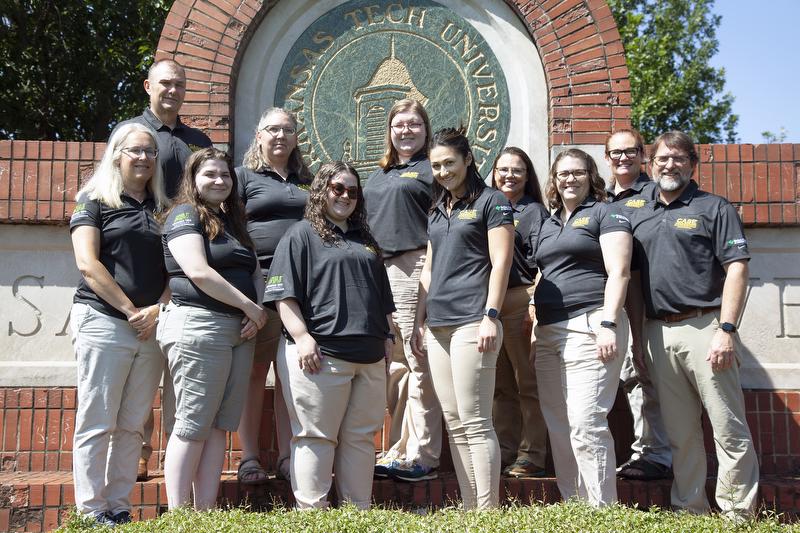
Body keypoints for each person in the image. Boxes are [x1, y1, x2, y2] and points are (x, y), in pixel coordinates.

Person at [627, 131, 758, 518]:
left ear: (692, 164)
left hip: (706, 328)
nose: (670, 165)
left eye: (679, 158)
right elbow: (632, 282)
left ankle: (737, 514)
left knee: (727, 428)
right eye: (663, 159)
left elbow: (737, 269)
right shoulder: (638, 211)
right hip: (656, 332)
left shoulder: (714, 208)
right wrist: (638, 339)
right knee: (681, 433)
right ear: (650, 165)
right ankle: (690, 510)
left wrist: (727, 329)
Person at [264, 162, 395, 510]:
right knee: (315, 438)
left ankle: (357, 515)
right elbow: (283, 296)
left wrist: (388, 337)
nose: (345, 196)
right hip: (321, 356)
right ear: (321, 190)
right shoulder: (300, 234)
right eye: (338, 188)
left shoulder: (365, 240)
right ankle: (313, 518)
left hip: (368, 358)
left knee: (361, 440)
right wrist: (302, 337)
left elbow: (382, 299)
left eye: (353, 191)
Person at [114, 58, 213, 481]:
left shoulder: (196, 139)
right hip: (140, 247)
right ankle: (140, 450)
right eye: (164, 84)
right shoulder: (132, 133)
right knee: (140, 364)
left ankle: (179, 459)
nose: (172, 91)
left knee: (178, 362)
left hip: (187, 251)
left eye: (179, 84)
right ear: (147, 86)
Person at [69, 123, 171, 526]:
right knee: (98, 418)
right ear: (116, 154)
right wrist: (132, 310)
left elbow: (174, 270)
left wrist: (157, 310)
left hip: (150, 326)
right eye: (135, 151)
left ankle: (119, 506)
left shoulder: (162, 207)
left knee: (131, 423)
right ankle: (91, 511)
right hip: (104, 320)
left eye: (150, 151)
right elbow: (87, 264)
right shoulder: (93, 200)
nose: (144, 158)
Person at [410, 127, 514, 509]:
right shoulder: (438, 207)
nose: (442, 171)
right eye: (436, 165)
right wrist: (419, 320)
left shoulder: (493, 201)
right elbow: (428, 269)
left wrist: (491, 315)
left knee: (475, 420)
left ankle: (487, 512)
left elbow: (501, 263)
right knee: (454, 422)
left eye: (449, 163)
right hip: (437, 326)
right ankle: (471, 508)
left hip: (474, 320)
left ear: (468, 159)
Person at [157, 148, 267, 510]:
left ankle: (204, 511)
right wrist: (249, 307)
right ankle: (178, 514)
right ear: (193, 180)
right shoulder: (184, 214)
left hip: (237, 331)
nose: (220, 181)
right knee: (192, 422)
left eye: (225, 175)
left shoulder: (233, 223)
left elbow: (252, 271)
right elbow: (198, 272)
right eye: (210, 175)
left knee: (220, 424)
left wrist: (256, 311)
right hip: (198, 326)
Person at [532, 148, 632, 507]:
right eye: (563, 174)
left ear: (591, 176)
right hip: (548, 331)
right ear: (554, 181)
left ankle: (602, 512)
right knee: (558, 423)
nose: (569, 179)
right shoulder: (548, 222)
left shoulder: (606, 212)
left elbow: (619, 272)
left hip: (591, 323)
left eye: (577, 172)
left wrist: (608, 323)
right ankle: (575, 507)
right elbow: (544, 272)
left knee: (586, 421)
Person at [363, 99, 442, 482]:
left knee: (418, 360)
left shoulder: (432, 171)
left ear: (425, 130)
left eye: (414, 124)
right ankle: (398, 448)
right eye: (399, 125)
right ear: (389, 130)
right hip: (378, 272)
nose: (406, 131)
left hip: (413, 267)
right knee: (394, 367)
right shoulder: (379, 174)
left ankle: (423, 453)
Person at [234, 107, 312, 484]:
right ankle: (249, 457)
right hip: (259, 286)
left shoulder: (307, 181)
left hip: (301, 290)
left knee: (289, 376)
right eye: (272, 129)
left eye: (288, 130)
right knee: (253, 372)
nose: (280, 136)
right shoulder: (243, 179)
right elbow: (231, 233)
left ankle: (286, 456)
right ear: (259, 136)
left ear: (296, 137)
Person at [603, 129, 673, 481]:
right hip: (605, 304)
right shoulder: (600, 198)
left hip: (644, 300)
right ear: (606, 157)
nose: (623, 158)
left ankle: (655, 454)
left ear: (642, 155)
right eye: (615, 152)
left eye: (630, 151)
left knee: (641, 375)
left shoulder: (653, 194)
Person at [489, 147, 549, 478]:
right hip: (490, 305)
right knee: (500, 385)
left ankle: (532, 453)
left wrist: (533, 303)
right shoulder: (487, 206)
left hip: (521, 297)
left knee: (526, 381)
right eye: (503, 169)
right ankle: (506, 449)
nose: (509, 175)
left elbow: (544, 261)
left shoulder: (533, 211)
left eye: (517, 170)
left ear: (527, 176)